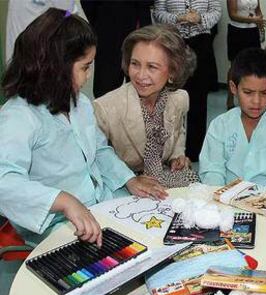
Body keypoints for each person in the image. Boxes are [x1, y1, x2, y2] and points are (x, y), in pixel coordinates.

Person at [0, 9, 167, 247]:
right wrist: (63, 200)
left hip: (97, 199)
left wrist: (128, 179)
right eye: (85, 67)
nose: (89, 76)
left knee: (157, 225)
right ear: (55, 67)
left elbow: (99, 150)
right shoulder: (19, 117)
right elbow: (4, 181)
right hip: (56, 220)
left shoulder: (79, 103)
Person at [94, 25, 200, 189]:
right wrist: (129, 180)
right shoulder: (106, 108)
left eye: (152, 67)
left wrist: (177, 157)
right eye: (135, 64)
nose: (141, 75)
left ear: (172, 72)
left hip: (164, 176)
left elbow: (178, 134)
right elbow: (98, 155)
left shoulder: (179, 99)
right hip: (124, 182)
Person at [199, 48, 266, 191]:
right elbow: (212, 170)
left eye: (265, 93)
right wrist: (219, 196)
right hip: (226, 202)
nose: (257, 101)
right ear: (233, 88)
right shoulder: (220, 125)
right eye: (248, 93)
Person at [153, 0, 221, 162]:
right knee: (170, 98)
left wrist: (200, 19)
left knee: (199, 99)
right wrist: (178, 18)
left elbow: (217, 11)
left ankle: (194, 151)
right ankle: (168, 151)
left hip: (201, 41)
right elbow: (158, 12)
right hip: (173, 43)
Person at [80, 1, 154, 98]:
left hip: (139, 28)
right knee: (106, 86)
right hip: (109, 29)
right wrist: (99, 21)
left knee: (141, 85)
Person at [226, 0, 266, 109]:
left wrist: (260, 25)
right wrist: (252, 19)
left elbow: (258, 10)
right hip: (237, 31)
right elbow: (232, 15)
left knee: (254, 66)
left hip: (253, 31)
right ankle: (230, 99)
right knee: (235, 66)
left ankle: (250, 97)